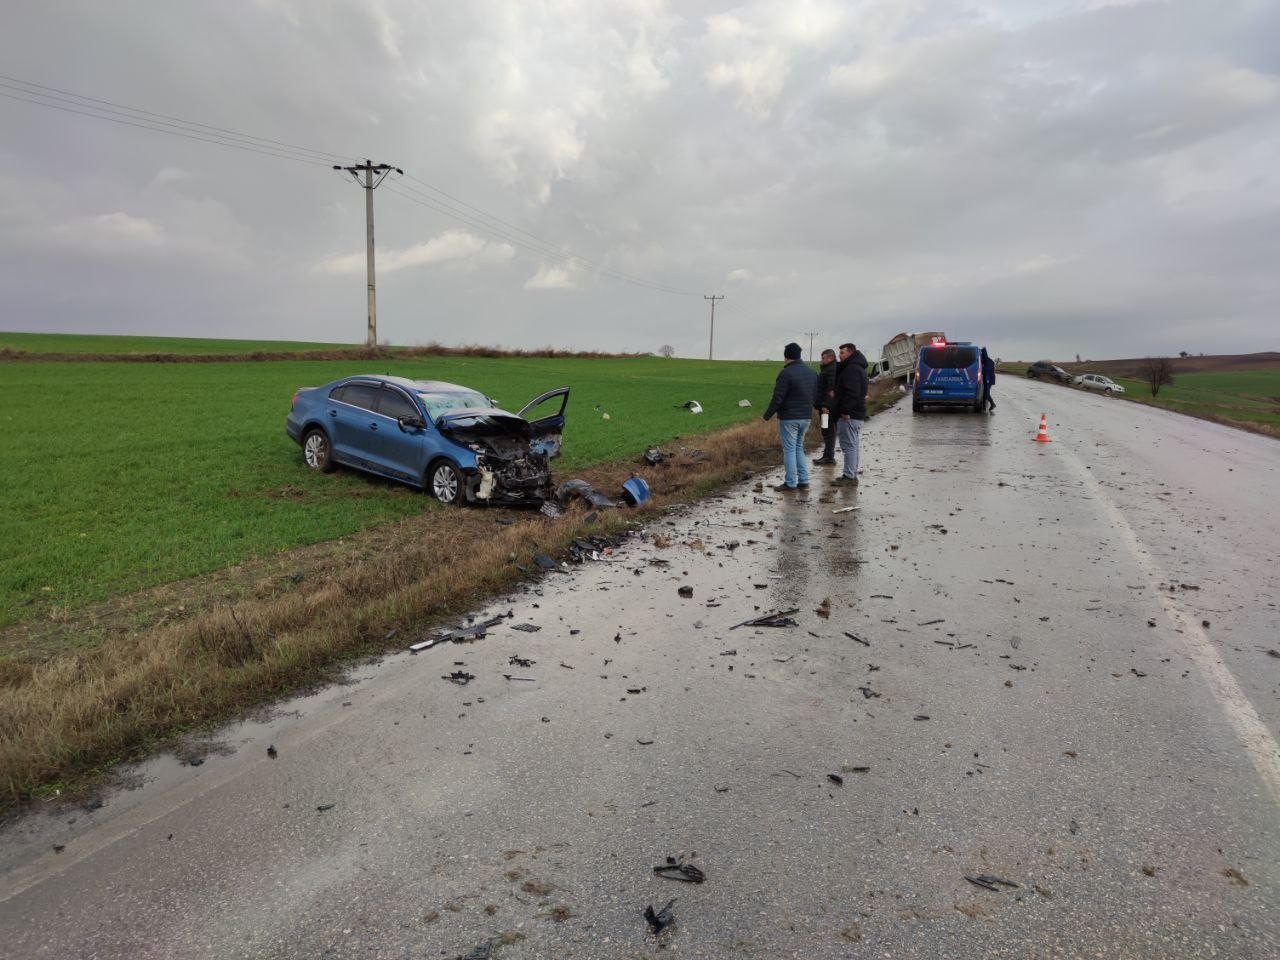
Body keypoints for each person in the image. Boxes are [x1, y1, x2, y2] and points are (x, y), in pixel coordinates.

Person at [761, 341, 818, 491]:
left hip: (789, 418)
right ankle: (804, 481)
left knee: (790, 450)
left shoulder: (786, 373)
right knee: (799, 448)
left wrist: (766, 416)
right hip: (806, 417)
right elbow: (815, 395)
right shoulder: (812, 373)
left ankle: (791, 483)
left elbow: (778, 398)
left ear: (786, 357)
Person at [832, 342, 868, 484]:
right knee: (853, 445)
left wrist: (845, 410)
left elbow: (852, 392)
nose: (839, 356)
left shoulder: (851, 369)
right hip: (856, 413)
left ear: (850, 353)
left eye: (842, 353)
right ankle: (851, 474)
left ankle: (849, 476)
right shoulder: (857, 368)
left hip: (850, 414)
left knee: (848, 446)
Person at [812, 348, 838, 465]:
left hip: (826, 408)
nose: (821, 360)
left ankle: (829, 457)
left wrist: (825, 405)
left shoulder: (831, 370)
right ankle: (827, 455)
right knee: (826, 430)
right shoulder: (828, 369)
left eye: (823, 358)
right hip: (825, 406)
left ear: (830, 358)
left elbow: (830, 389)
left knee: (828, 430)